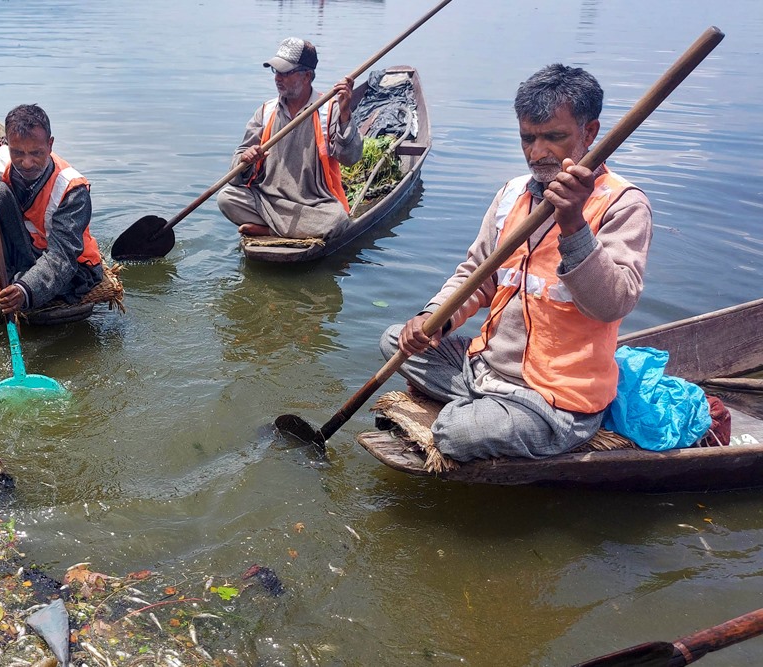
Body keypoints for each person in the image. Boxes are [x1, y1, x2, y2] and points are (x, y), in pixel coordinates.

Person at [379, 64, 653, 462]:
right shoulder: (512, 195)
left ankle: (481, 417)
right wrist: (433, 318)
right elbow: (476, 275)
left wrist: (574, 224)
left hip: (556, 396)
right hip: (487, 367)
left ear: (590, 134)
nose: (536, 152)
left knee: (454, 434)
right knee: (394, 341)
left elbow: (613, 303)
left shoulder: (623, 204)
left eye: (554, 138)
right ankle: (481, 405)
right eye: (528, 138)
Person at [0, 103, 104, 316]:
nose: (26, 163)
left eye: (36, 153)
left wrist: (24, 290)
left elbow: (62, 256)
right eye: (18, 153)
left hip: (72, 267)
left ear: (50, 145)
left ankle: (14, 276)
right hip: (26, 252)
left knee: (54, 279)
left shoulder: (72, 189)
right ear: (7, 144)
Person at [216, 37, 363, 241]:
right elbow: (236, 172)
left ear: (307, 76)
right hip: (267, 200)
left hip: (314, 205)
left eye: (286, 72)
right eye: (276, 71)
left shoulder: (329, 110)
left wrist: (346, 112)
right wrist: (245, 160)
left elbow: (351, 157)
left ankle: (268, 230)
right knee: (226, 198)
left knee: (336, 220)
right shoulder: (266, 111)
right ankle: (290, 230)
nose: (278, 78)